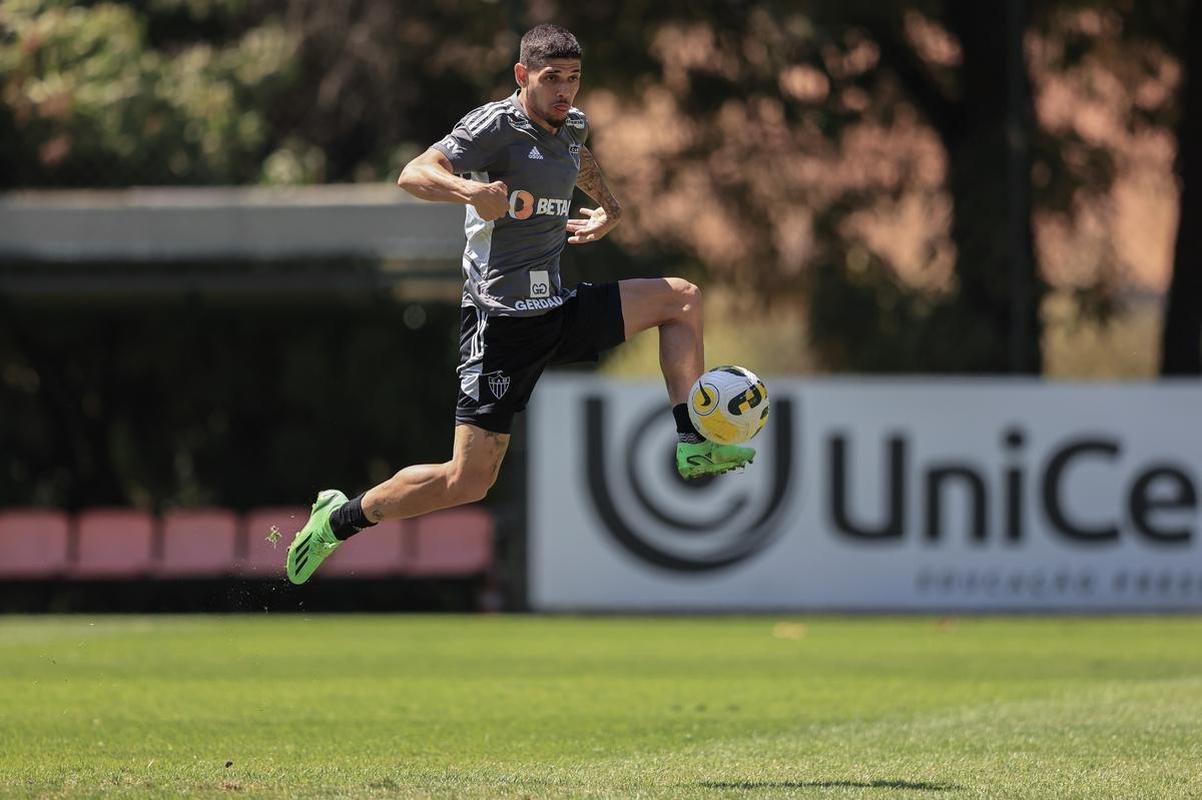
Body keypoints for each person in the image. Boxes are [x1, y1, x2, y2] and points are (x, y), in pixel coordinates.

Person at [285, 24, 754, 585]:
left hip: (555, 309)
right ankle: (337, 519)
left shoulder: (571, 122)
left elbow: (574, 156)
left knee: (681, 300)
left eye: (574, 79)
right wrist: (471, 192)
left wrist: (610, 207)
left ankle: (692, 441)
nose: (565, 91)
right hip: (500, 325)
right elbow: (413, 173)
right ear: (522, 75)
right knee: (468, 481)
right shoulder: (494, 125)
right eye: (552, 78)